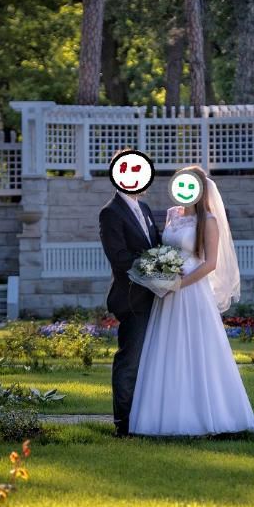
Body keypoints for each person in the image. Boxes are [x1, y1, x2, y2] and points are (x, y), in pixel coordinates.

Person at [129, 165, 254, 436]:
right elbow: (166, 250)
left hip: (192, 292)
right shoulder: (172, 215)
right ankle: (163, 416)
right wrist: (160, 275)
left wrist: (180, 283)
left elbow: (210, 263)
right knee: (167, 349)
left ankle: (210, 416)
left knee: (196, 350)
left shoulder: (208, 221)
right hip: (167, 294)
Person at [99, 153, 161, 438]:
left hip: (156, 296)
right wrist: (157, 271)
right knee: (130, 362)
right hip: (132, 299)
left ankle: (146, 420)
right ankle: (123, 426)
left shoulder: (144, 208)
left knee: (151, 363)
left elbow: (155, 245)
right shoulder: (110, 212)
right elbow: (120, 258)